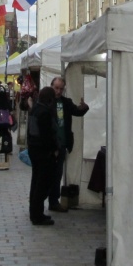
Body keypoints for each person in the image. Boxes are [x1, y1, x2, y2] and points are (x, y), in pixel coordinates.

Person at [49, 76, 89, 213]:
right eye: (56, 88)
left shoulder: (66, 102)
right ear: (51, 87)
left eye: (61, 88)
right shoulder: (46, 101)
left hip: (62, 143)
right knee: (46, 174)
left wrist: (84, 107)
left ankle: (54, 200)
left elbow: (77, 111)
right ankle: (44, 199)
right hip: (49, 144)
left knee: (58, 173)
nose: (58, 91)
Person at [27, 86, 59, 225]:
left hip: (34, 149)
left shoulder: (35, 109)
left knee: (36, 182)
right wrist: (53, 149)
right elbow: (46, 135)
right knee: (42, 184)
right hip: (43, 152)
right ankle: (37, 215)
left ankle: (35, 212)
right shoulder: (45, 112)